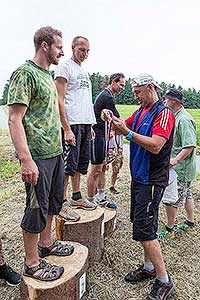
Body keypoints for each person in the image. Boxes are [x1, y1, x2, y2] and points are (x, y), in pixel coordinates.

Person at [7, 26, 74, 281]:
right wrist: (26, 160)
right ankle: (32, 263)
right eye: (59, 46)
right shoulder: (25, 74)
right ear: (45, 46)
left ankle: (46, 244)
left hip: (54, 152)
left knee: (52, 204)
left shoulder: (48, 74)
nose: (62, 51)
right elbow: (14, 119)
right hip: (36, 156)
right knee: (35, 209)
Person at [104, 74, 176, 300]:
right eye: (133, 92)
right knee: (142, 224)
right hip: (139, 178)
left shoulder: (163, 113)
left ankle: (164, 281)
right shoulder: (141, 111)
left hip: (152, 180)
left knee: (146, 229)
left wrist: (129, 134)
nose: (135, 96)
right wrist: (110, 118)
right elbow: (122, 127)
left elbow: (156, 145)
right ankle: (148, 267)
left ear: (150, 88)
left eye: (138, 92)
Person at [55, 36, 97, 218]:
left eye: (87, 51)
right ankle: (61, 202)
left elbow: (84, 100)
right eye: (82, 50)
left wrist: (91, 124)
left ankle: (76, 196)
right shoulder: (64, 67)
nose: (85, 54)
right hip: (71, 123)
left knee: (80, 163)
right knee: (68, 165)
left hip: (85, 123)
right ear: (73, 48)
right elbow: (59, 99)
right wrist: (66, 129)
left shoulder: (83, 71)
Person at [157, 89, 196, 239]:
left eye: (166, 99)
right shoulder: (176, 117)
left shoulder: (184, 120)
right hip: (182, 168)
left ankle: (169, 230)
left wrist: (175, 160)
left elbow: (190, 145)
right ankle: (190, 224)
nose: (165, 102)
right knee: (187, 195)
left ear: (174, 101)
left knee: (172, 199)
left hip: (181, 168)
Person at [87, 73, 125, 209]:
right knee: (96, 169)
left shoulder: (107, 95)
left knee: (103, 167)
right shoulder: (107, 97)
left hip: (103, 135)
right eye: (121, 84)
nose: (122, 88)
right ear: (113, 82)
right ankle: (90, 201)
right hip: (97, 135)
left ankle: (101, 198)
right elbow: (117, 118)